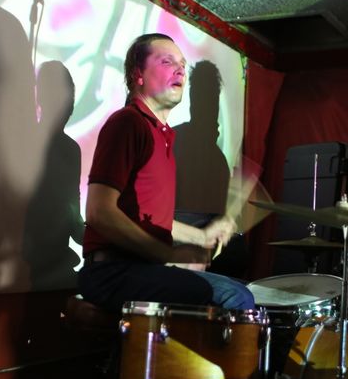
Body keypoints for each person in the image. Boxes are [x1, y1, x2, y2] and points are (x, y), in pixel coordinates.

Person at [78, 33, 255, 313]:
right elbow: (99, 212)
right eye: (167, 61)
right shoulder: (128, 123)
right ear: (138, 75)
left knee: (241, 288)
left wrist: (202, 236)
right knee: (235, 297)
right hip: (112, 272)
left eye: (182, 64)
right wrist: (165, 254)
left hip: (140, 269)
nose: (180, 70)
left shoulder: (163, 137)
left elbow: (153, 220)